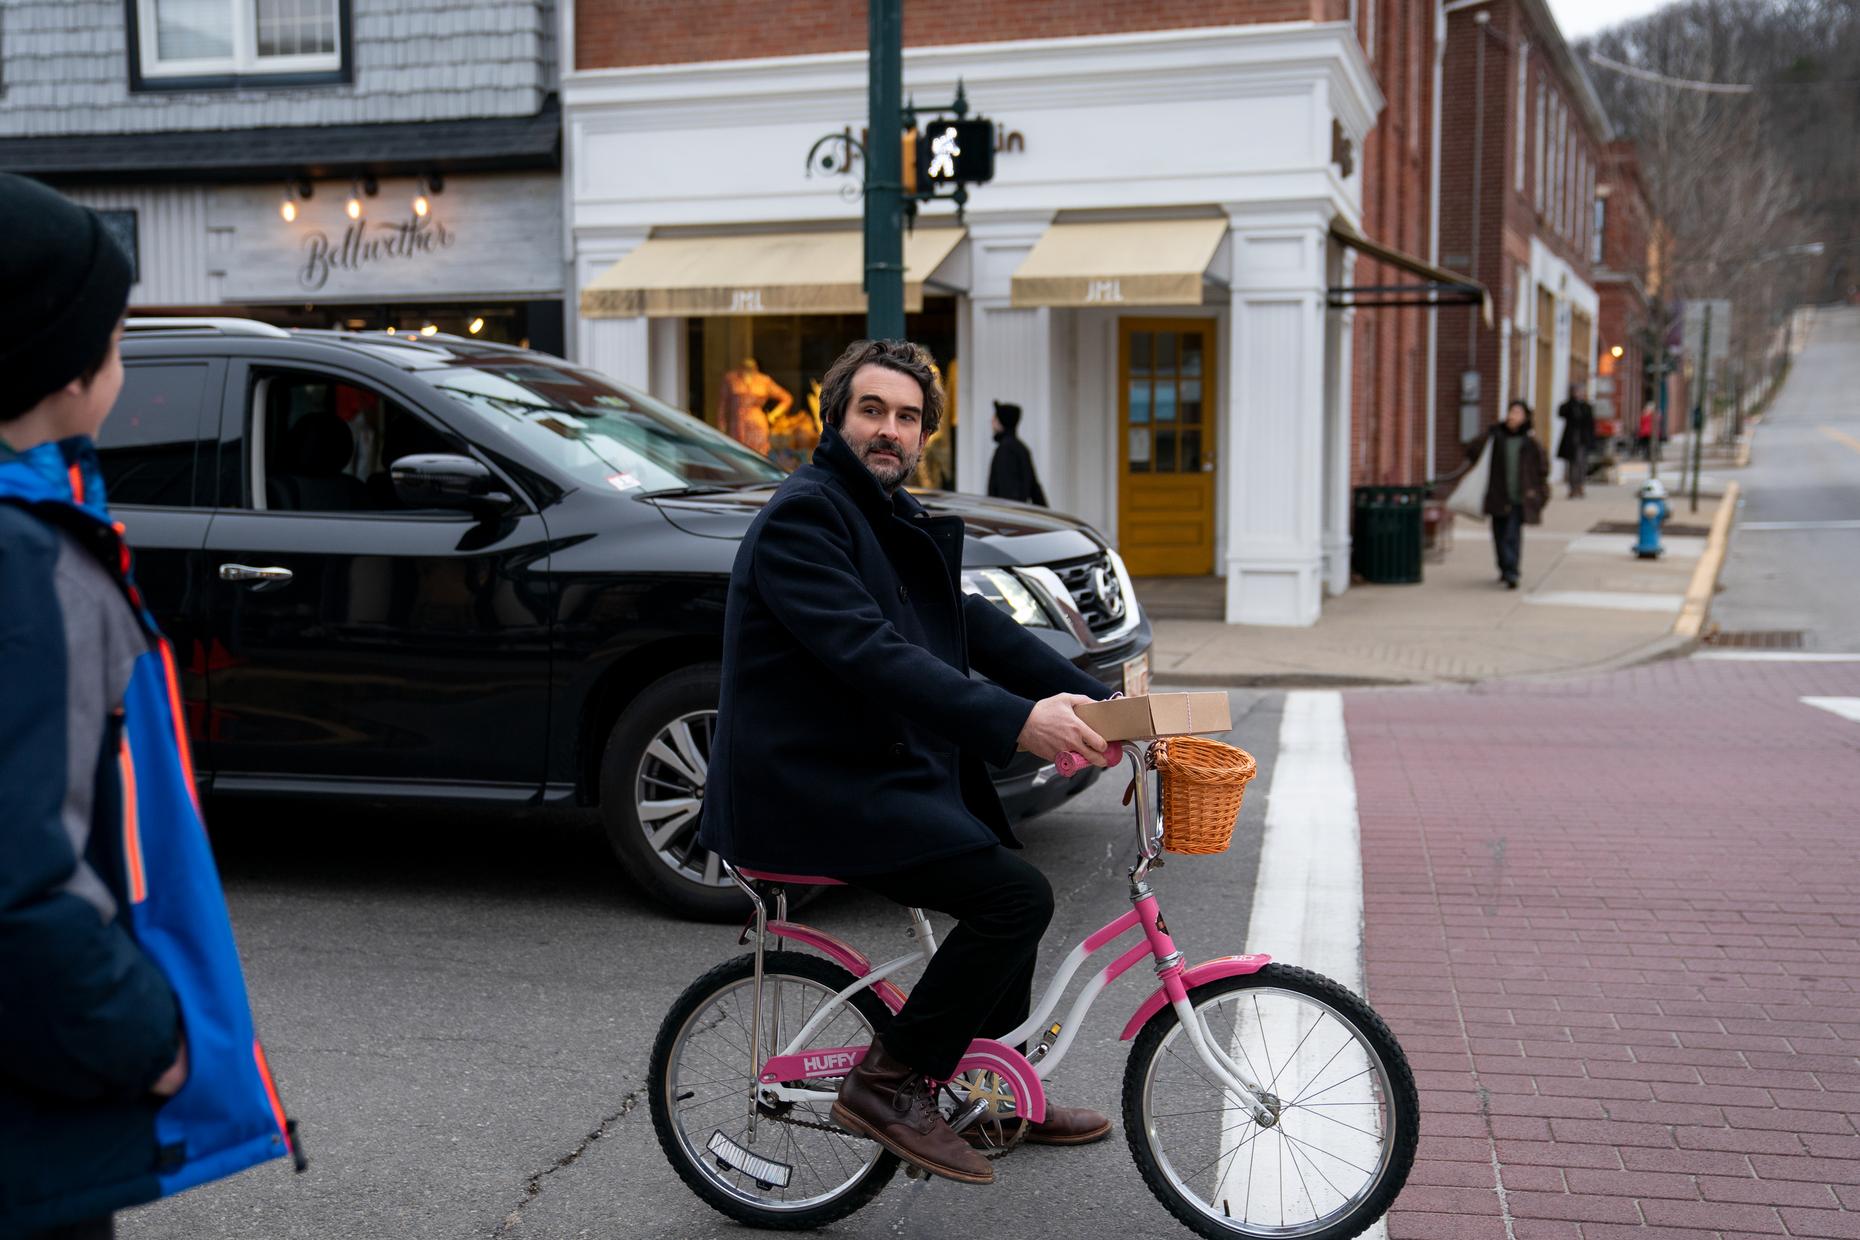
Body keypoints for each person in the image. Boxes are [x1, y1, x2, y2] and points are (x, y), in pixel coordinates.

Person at [698, 339, 1116, 1186]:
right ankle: (887, 1083)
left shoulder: (885, 513)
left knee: (1003, 875)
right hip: (806, 782)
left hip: (865, 767)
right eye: (872, 411)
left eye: (908, 417)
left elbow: (976, 630)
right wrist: (1016, 722)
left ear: (925, 433)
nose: (890, 430)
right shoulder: (805, 516)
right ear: (835, 416)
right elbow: (873, 654)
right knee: (1013, 896)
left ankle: (986, 1091)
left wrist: (1101, 704)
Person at [0, 173, 299, 1238]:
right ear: (60, 364)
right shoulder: (24, 562)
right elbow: (19, 873)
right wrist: (143, 1035)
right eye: (119, 336)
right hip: (35, 1118)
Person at [1479, 398, 1550, 589]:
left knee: (1512, 535)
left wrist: (1540, 493)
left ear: (1525, 417)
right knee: (1498, 534)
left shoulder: (1530, 443)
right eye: (1512, 411)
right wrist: (1490, 432)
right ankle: (1504, 567)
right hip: (1497, 495)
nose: (1514, 416)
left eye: (1518, 413)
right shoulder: (1496, 438)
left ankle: (1512, 571)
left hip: (1518, 497)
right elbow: (1472, 452)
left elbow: (1542, 469)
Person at [985, 400, 1047, 507]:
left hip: (1006, 517)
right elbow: (1035, 490)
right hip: (1015, 516)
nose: (991, 421)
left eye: (995, 418)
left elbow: (1007, 494)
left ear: (1002, 422)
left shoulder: (1006, 450)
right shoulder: (1021, 449)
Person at [1556, 382, 1596, 499]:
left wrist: (1592, 442)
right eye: (1577, 392)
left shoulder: (1586, 407)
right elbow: (1561, 412)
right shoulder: (1569, 406)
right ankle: (1573, 488)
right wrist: (1572, 401)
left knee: (1582, 465)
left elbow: (1590, 425)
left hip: (1583, 441)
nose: (1579, 394)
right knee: (1573, 465)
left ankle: (1580, 486)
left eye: (1581, 392)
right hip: (1571, 441)